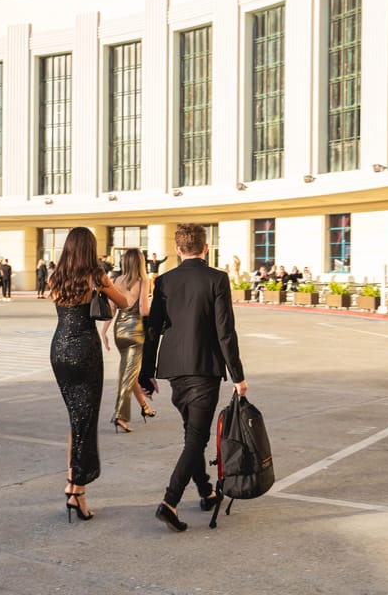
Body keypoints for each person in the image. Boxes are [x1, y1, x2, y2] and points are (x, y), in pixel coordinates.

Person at [139, 223, 247, 532]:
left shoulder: (164, 281)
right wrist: (238, 375)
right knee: (195, 439)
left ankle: (205, 491)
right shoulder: (217, 279)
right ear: (206, 247)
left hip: (174, 370)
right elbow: (225, 331)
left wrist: (147, 373)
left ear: (177, 250)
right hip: (204, 369)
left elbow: (152, 331)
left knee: (192, 434)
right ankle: (169, 502)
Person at [48, 227, 127, 522]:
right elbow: (124, 303)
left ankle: (72, 481)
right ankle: (77, 491)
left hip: (59, 349)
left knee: (76, 417)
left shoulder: (55, 276)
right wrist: (105, 288)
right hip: (85, 349)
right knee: (86, 419)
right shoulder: (96, 276)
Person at [100, 248, 155, 433]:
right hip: (135, 332)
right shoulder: (142, 281)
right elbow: (143, 310)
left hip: (119, 331)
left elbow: (112, 308)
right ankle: (120, 416)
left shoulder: (116, 281)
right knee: (128, 374)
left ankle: (145, 407)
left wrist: (104, 332)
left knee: (128, 373)